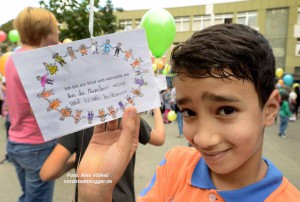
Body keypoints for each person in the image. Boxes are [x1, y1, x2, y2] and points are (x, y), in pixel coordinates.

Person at [76, 24, 300, 201]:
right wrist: (94, 193)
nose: (202, 138)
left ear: (269, 109)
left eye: (226, 110)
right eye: (189, 112)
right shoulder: (175, 165)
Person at [40, 108, 165, 202]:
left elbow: (47, 172)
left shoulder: (79, 123)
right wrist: (156, 109)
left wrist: (75, 161)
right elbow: (160, 138)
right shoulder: (130, 121)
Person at [5, 7, 59, 202]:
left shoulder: (14, 56)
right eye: (56, 28)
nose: (59, 32)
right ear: (44, 31)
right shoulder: (37, 63)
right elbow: (40, 109)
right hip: (36, 144)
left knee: (28, 196)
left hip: (17, 141)